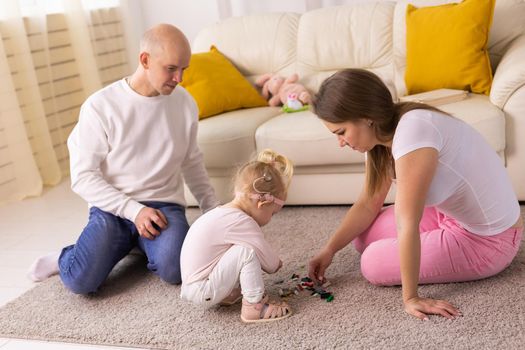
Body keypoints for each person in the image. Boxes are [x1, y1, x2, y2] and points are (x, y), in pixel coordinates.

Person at [308, 68, 523, 321]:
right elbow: (369, 203)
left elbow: (406, 222)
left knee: (372, 263)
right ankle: (432, 243)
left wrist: (411, 297)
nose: (341, 143)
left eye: (341, 132)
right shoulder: (380, 136)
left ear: (366, 117)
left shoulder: (413, 132)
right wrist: (330, 249)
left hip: (489, 240)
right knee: (363, 237)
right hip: (448, 214)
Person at [27, 24, 219, 294]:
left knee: (177, 270)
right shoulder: (100, 106)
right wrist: (134, 211)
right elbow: (83, 177)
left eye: (184, 69)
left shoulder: (185, 103)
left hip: (164, 207)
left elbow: (192, 161)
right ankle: (65, 255)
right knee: (81, 282)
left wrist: (214, 212)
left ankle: (138, 244)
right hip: (113, 209)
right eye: (172, 69)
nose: (180, 78)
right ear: (145, 60)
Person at [180, 149, 293, 323]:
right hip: (203, 289)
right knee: (246, 251)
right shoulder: (242, 221)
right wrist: (276, 262)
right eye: (273, 213)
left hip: (194, 286)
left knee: (235, 248)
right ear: (262, 203)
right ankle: (254, 308)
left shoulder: (223, 214)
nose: (271, 219)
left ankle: (227, 293)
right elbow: (270, 264)